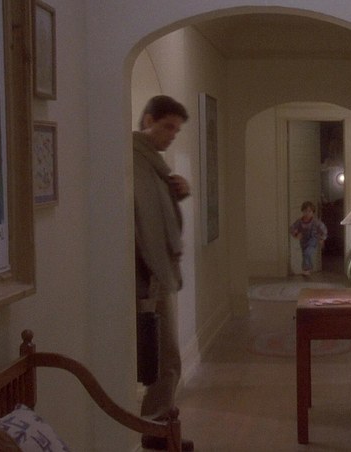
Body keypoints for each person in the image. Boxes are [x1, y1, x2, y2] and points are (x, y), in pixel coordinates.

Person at [133, 94, 195, 451]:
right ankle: (156, 429)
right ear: (148, 120)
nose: (172, 135)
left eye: (176, 130)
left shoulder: (153, 163)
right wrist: (156, 277)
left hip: (157, 274)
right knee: (165, 358)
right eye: (168, 127)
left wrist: (179, 192)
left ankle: (159, 425)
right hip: (149, 277)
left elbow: (157, 211)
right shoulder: (135, 160)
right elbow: (144, 224)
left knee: (165, 358)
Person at [289, 200, 328, 276]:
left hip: (313, 240)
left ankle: (307, 268)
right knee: (305, 254)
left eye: (309, 211)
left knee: (307, 252)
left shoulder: (316, 222)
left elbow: (324, 229)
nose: (307, 213)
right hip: (303, 241)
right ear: (302, 211)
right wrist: (296, 234)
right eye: (305, 211)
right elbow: (291, 228)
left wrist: (322, 239)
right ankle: (307, 269)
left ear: (313, 212)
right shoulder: (299, 221)